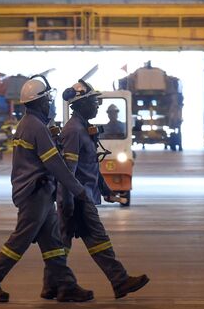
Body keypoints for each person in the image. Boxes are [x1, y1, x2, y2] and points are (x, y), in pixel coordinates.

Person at [0, 75, 94, 303]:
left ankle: (65, 285)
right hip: (34, 194)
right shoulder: (36, 127)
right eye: (48, 99)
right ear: (39, 102)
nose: (50, 103)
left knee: (53, 243)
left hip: (39, 193)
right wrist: (77, 189)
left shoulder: (30, 124)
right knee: (19, 241)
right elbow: (56, 165)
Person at [42, 80, 150, 300]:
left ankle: (52, 286)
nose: (97, 106)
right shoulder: (73, 131)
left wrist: (105, 188)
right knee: (97, 238)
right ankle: (119, 281)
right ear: (81, 105)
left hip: (81, 195)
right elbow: (67, 171)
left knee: (63, 243)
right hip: (77, 197)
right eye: (93, 101)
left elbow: (90, 165)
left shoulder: (82, 129)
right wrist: (69, 202)